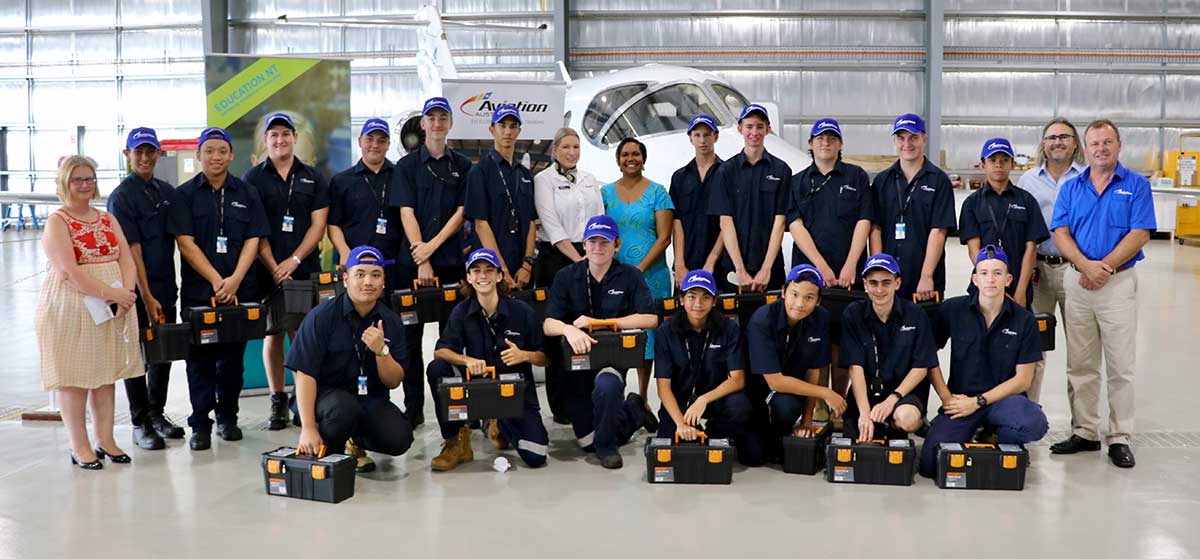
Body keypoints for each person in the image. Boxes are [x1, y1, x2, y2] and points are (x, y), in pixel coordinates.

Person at [1047, 119, 1155, 469]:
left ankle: (1120, 436)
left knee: (1121, 365)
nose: (1101, 149)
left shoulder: (1135, 185)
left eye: (1107, 143)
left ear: (1118, 145)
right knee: (1081, 364)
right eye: (1094, 144)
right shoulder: (1071, 186)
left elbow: (1140, 233)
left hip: (1117, 283)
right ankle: (1085, 431)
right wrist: (1084, 265)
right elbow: (1060, 231)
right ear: (1085, 148)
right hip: (1078, 282)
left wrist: (1103, 267)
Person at [36, 155, 143, 469]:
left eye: (89, 179)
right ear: (65, 183)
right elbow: (69, 271)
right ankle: (79, 445)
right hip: (73, 305)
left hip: (110, 305)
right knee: (75, 377)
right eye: (77, 180)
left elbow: (125, 256)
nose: (85, 185)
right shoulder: (58, 221)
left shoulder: (107, 218)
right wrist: (113, 294)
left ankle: (105, 439)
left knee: (105, 373)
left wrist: (127, 294)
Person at [171, 127, 270, 451]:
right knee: (198, 361)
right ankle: (200, 423)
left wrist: (236, 279)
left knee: (232, 361)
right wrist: (216, 279)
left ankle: (228, 417)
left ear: (231, 155)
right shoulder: (184, 194)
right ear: (199, 155)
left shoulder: (246, 192)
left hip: (240, 292)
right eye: (209, 151)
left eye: (221, 151)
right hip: (201, 292)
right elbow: (185, 243)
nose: (215, 157)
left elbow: (254, 238)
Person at [919, 245, 1049, 478]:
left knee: (1033, 423)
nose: (991, 279)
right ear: (974, 279)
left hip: (1004, 401)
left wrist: (978, 402)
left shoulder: (1024, 320)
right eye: (984, 273)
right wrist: (946, 397)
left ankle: (999, 438)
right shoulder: (953, 310)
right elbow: (927, 356)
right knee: (930, 464)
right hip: (961, 402)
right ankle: (979, 433)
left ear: (1008, 279)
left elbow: (1023, 380)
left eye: (998, 273)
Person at [543, 215, 659, 469]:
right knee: (586, 440)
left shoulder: (630, 276)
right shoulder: (566, 277)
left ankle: (607, 449)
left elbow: (650, 319)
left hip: (612, 359)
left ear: (616, 245)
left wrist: (608, 323)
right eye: (592, 241)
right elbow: (548, 324)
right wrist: (568, 330)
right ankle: (634, 410)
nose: (598, 247)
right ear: (583, 245)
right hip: (577, 365)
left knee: (607, 388)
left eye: (604, 242)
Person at [241, 112, 330, 431]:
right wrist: (273, 265)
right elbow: (254, 228)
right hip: (265, 271)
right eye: (273, 135)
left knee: (302, 334)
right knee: (272, 334)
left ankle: (302, 399)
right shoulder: (253, 179)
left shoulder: (313, 177)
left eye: (285, 134)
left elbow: (318, 224)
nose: (279, 140)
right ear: (266, 141)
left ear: (294, 138)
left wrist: (293, 260)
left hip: (303, 268)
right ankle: (277, 399)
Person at [288, 246, 414, 466]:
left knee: (399, 438)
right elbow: (304, 374)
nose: (368, 282)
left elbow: (393, 381)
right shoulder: (321, 317)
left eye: (376, 275)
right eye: (360, 274)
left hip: (369, 398)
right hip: (324, 398)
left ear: (384, 281)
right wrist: (308, 428)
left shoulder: (391, 321)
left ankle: (354, 441)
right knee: (343, 410)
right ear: (345, 279)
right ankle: (329, 449)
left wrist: (381, 351)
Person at [426, 248, 551, 471]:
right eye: (476, 271)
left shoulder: (521, 311)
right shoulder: (461, 312)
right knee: (437, 369)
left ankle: (498, 421)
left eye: (489, 270)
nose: (483, 276)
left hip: (514, 393)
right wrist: (466, 360)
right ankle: (456, 439)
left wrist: (524, 355)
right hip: (477, 389)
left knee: (536, 456)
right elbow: (440, 351)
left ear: (499, 276)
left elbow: (546, 358)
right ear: (469, 278)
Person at [392, 97, 474, 427]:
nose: (437, 123)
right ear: (422, 124)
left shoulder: (463, 166)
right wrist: (420, 255)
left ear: (450, 123)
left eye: (443, 118)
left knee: (452, 339)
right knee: (410, 343)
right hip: (412, 266)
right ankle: (413, 411)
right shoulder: (407, 167)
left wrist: (433, 248)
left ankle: (454, 411)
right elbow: (405, 211)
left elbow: (460, 213)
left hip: (450, 263)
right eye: (431, 118)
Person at [787, 117, 874, 417]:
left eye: (831, 138)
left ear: (840, 145)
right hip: (810, 276)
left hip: (848, 277)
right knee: (815, 341)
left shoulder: (857, 177)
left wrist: (852, 264)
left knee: (842, 341)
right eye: (819, 138)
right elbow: (794, 225)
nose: (825, 142)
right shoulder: (797, 181)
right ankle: (819, 403)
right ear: (810, 145)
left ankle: (838, 400)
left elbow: (864, 220)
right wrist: (821, 267)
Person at [106, 127, 186, 450]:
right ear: (127, 155)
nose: (143, 157)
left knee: (162, 352)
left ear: (158, 153)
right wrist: (147, 296)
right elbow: (131, 251)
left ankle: (157, 413)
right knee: (137, 355)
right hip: (135, 291)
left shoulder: (167, 192)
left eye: (149, 151)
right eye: (137, 151)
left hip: (166, 284)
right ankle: (140, 422)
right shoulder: (122, 197)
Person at [742, 264, 847, 466]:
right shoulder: (762, 320)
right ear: (783, 292)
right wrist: (826, 393)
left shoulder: (821, 319)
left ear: (818, 301)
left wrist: (807, 420)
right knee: (754, 457)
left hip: (787, 395)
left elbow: (813, 370)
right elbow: (775, 382)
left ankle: (779, 434)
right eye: (794, 294)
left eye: (809, 297)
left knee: (787, 408)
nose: (799, 303)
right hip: (756, 390)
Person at [533, 126, 603, 424]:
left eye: (576, 147)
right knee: (558, 330)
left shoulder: (589, 180)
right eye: (566, 148)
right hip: (556, 259)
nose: (572, 152)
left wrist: (594, 255)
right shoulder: (543, 180)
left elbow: (599, 216)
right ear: (555, 151)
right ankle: (560, 406)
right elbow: (551, 225)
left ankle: (586, 398)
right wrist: (580, 261)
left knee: (586, 327)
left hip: (589, 253)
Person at [1017, 118, 1086, 402]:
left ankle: (1082, 427)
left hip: (1077, 271)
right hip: (1038, 272)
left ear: (1074, 144)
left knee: (1081, 350)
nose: (1057, 142)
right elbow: (1020, 229)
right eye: (1051, 137)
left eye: (1064, 137)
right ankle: (1027, 416)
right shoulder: (1028, 180)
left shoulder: (1086, 177)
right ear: (1043, 144)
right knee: (1033, 348)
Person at [601, 137, 674, 404]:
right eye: (625, 154)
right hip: (615, 275)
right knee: (617, 334)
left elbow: (664, 237)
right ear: (618, 160)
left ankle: (642, 399)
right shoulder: (605, 194)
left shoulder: (658, 192)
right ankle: (616, 396)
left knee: (648, 338)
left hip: (651, 277)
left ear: (644, 159)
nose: (631, 158)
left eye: (636, 154)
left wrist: (639, 269)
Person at [838, 253, 938, 442]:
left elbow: (921, 367)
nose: (879, 289)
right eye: (873, 283)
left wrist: (892, 399)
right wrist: (865, 414)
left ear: (897, 283)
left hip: (904, 394)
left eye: (886, 282)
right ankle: (877, 423)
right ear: (865, 284)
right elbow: (855, 367)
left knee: (906, 419)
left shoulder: (916, 314)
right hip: (866, 392)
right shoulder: (853, 314)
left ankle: (897, 423)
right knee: (857, 441)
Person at [653, 270, 752, 452]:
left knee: (740, 408)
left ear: (714, 301)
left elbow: (738, 380)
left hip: (715, 400)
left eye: (706, 297)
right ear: (681, 299)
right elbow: (663, 387)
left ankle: (715, 433)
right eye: (691, 297)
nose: (698, 304)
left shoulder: (729, 329)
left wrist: (703, 400)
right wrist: (681, 424)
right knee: (676, 448)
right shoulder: (665, 332)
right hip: (679, 402)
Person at [869, 113, 956, 301]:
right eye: (901, 138)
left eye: (913, 137)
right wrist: (879, 271)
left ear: (924, 139)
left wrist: (926, 276)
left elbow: (938, 231)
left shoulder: (939, 181)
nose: (907, 143)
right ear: (895, 140)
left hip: (923, 280)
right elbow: (875, 228)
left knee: (925, 329)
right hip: (889, 279)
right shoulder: (882, 181)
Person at [707, 103, 791, 293]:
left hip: (771, 268)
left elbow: (780, 222)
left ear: (768, 129)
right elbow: (726, 223)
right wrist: (740, 270)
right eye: (749, 126)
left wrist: (766, 269)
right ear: (740, 129)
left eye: (760, 127)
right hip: (734, 269)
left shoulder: (781, 170)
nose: (754, 132)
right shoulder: (726, 171)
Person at [958, 137, 1050, 307]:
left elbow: (1031, 249)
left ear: (1013, 164)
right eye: (993, 160)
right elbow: (974, 251)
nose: (998, 165)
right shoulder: (972, 203)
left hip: (1019, 286)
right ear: (983, 165)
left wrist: (1021, 291)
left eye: (1004, 160)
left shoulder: (1027, 201)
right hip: (985, 288)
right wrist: (992, 285)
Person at [464, 104, 537, 290]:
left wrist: (527, 265)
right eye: (502, 125)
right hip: (489, 269)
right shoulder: (479, 172)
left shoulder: (525, 175)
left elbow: (530, 222)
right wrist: (500, 269)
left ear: (519, 131)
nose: (507, 131)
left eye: (513, 126)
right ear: (492, 129)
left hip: (521, 270)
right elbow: (480, 224)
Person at [328, 118, 400, 288]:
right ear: (360, 141)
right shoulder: (341, 181)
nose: (375, 145)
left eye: (381, 140)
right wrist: (345, 253)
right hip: (355, 268)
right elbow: (333, 224)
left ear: (388, 144)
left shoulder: (401, 177)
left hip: (393, 267)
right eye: (369, 139)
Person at [670, 114, 725, 286]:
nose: (702, 140)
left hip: (720, 264)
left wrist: (712, 260)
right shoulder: (679, 177)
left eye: (707, 134)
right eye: (697, 135)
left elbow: (730, 222)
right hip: (687, 264)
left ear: (715, 137)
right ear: (690, 138)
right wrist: (679, 264)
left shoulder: (728, 174)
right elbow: (676, 222)